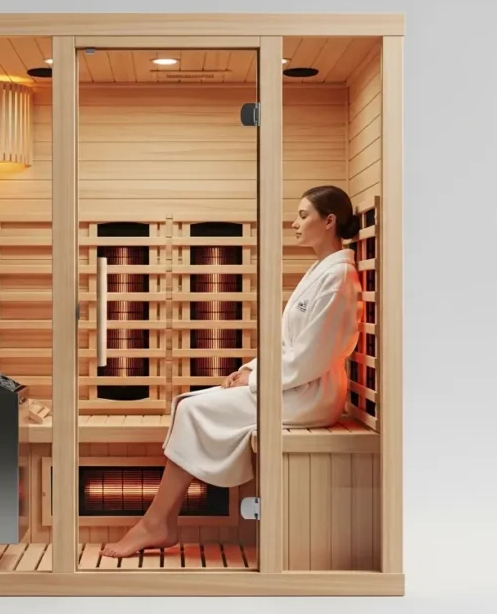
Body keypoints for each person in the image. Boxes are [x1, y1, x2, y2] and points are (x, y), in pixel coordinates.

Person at [100, 185, 364, 559]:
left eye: (304, 215)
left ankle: (156, 523)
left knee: (192, 409)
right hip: (293, 383)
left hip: (312, 393)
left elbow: (311, 357)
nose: (295, 223)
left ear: (330, 220)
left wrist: (256, 378)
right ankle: (158, 521)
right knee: (185, 403)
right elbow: (292, 346)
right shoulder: (321, 272)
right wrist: (251, 368)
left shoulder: (339, 279)